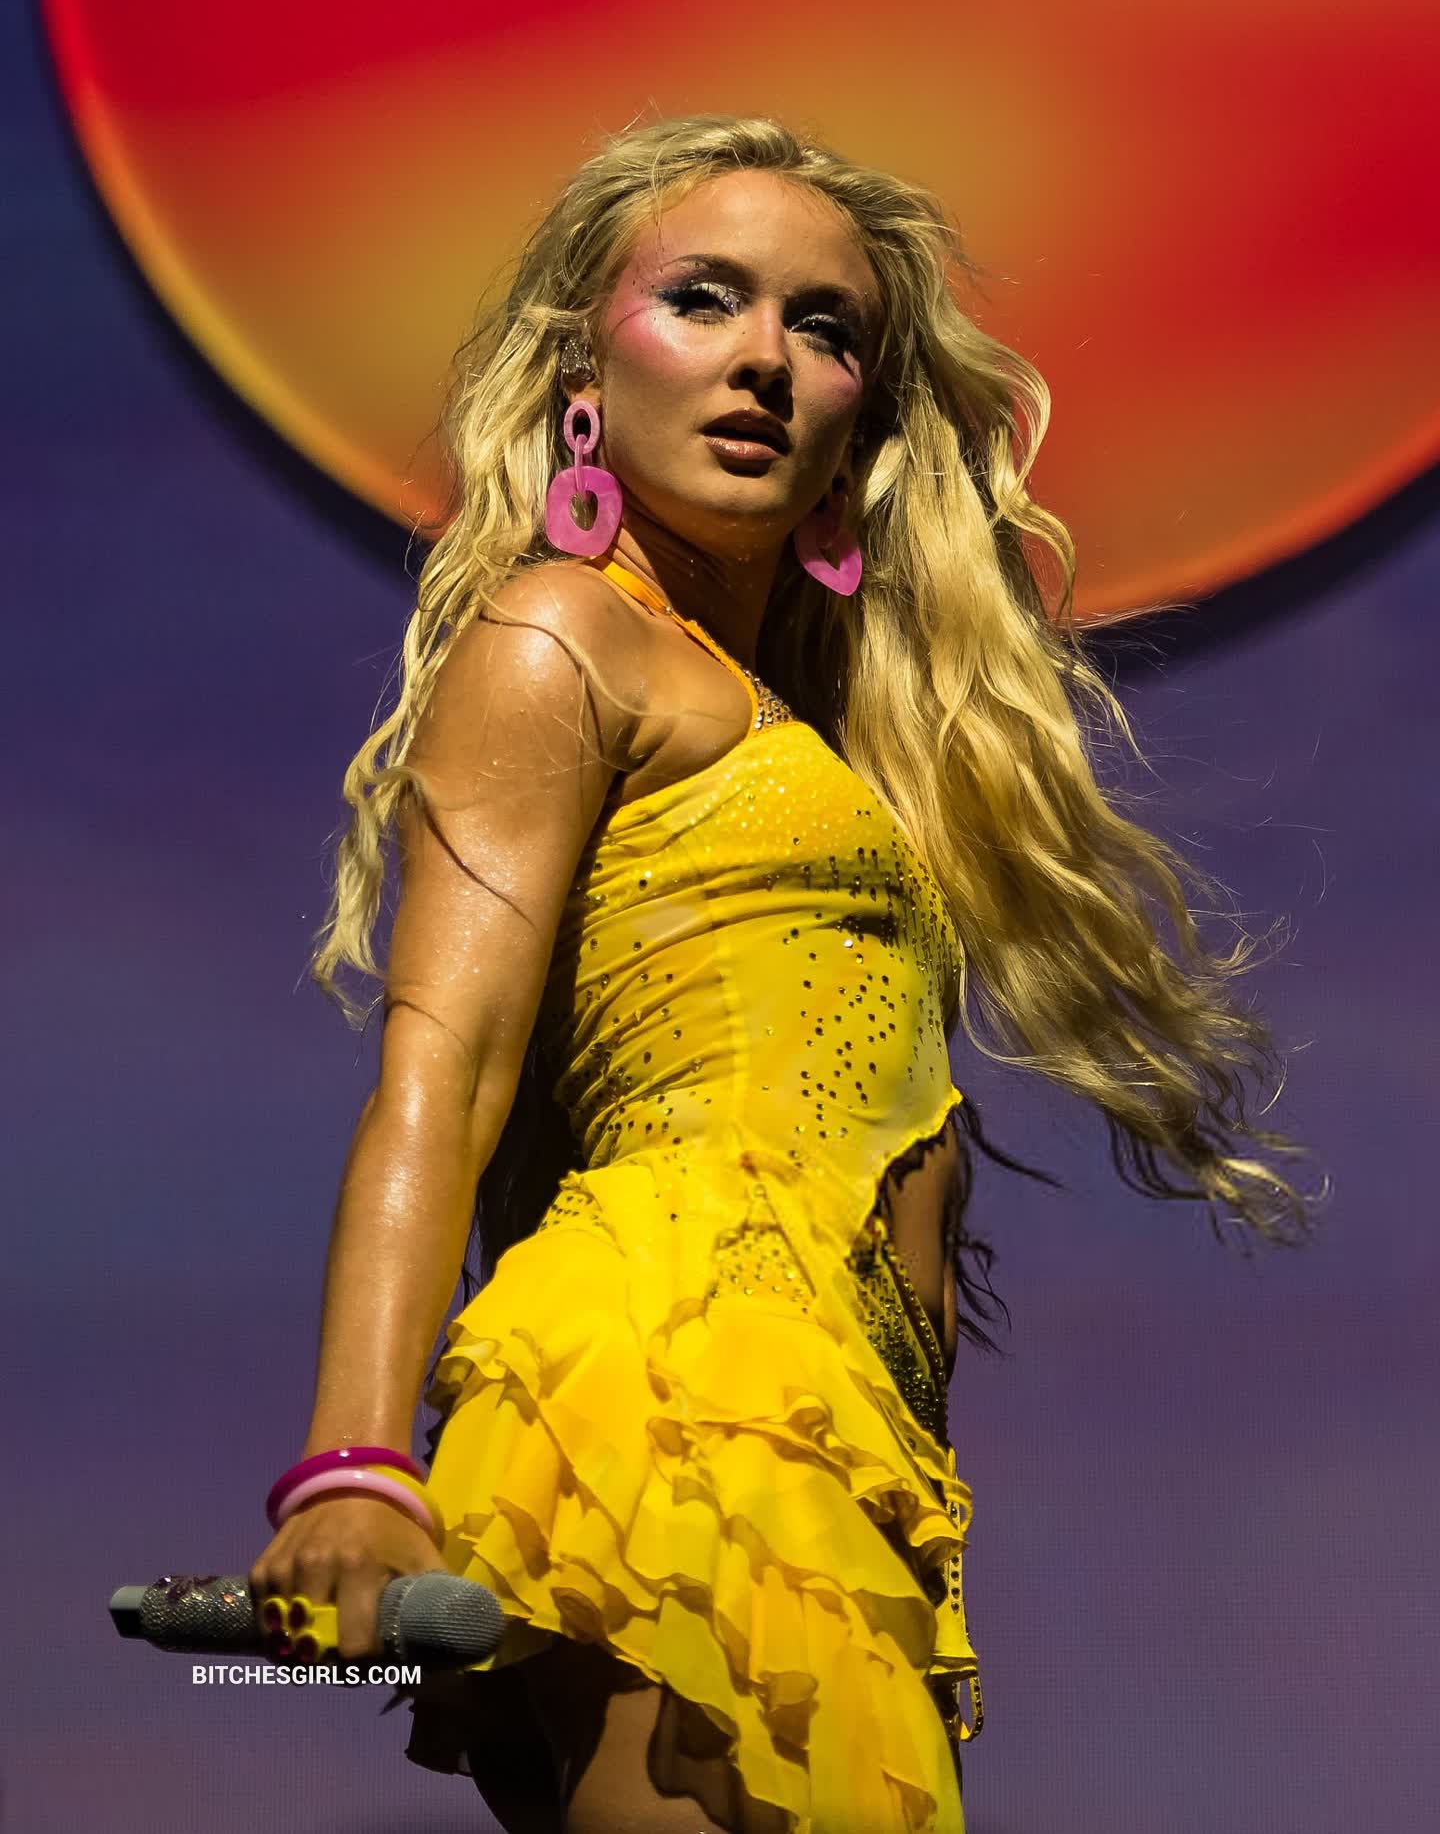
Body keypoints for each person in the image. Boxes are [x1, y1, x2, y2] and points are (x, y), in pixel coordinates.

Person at [248, 114, 1321, 1834]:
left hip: (832, 1440)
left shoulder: (783, 719)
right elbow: (444, 1074)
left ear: (857, 429)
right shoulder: (560, 634)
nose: (764, 357)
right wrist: (353, 1464)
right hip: (683, 1399)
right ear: (583, 368)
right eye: (705, 299)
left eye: (824, 329)